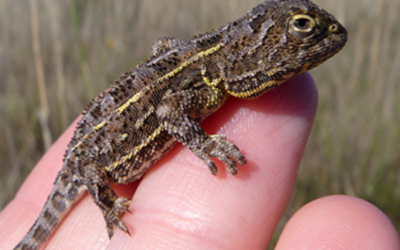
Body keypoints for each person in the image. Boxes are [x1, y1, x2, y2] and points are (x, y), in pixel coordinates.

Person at [1, 74, 399, 249]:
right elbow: (172, 113)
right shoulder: (205, 85)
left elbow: (163, 53)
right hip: (96, 160)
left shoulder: (211, 79)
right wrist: (205, 145)